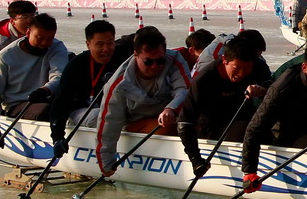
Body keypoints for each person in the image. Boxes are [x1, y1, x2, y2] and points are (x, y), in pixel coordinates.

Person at [239, 38, 307, 193]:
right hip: (288, 137)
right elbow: (255, 128)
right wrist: (249, 171)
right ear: (305, 67)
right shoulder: (282, 88)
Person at [95, 27, 191, 175]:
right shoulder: (118, 84)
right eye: (148, 62)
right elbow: (109, 123)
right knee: (169, 127)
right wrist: (106, 163)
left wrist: (171, 108)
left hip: (168, 115)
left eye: (160, 60)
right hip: (134, 123)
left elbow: (185, 91)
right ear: (136, 55)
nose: (155, 66)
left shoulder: (175, 59)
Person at [178, 37, 272, 176]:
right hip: (212, 128)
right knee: (245, 128)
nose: (241, 74)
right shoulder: (203, 80)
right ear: (224, 60)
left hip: (245, 119)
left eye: (247, 69)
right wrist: (196, 160)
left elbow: (273, 87)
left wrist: (263, 91)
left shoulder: (257, 65)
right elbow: (185, 122)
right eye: (236, 68)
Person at [49, 20, 133, 158]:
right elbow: (60, 103)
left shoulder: (123, 58)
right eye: (100, 44)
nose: (106, 49)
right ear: (88, 44)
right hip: (84, 112)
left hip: (115, 110)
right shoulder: (75, 65)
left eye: (110, 43)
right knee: (98, 115)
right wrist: (57, 137)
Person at [0, 14, 69, 152]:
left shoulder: (57, 47)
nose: (44, 43)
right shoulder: (5, 56)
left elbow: (59, 76)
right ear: (28, 32)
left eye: (49, 39)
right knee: (48, 111)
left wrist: (45, 90)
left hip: (46, 96)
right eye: (40, 38)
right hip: (18, 104)